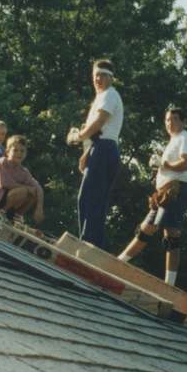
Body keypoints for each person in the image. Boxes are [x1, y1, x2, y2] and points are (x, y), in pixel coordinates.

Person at [117, 107, 187, 287]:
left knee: (171, 235)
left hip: (176, 191)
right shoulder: (174, 140)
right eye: (168, 120)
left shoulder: (185, 137)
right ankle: (119, 261)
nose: (170, 123)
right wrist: (159, 166)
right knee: (145, 229)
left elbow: (186, 163)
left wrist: (164, 164)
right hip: (164, 194)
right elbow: (170, 166)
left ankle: (169, 284)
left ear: (183, 122)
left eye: (175, 119)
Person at [71, 59, 123, 248]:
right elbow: (96, 134)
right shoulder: (101, 98)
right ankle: (89, 244)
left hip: (105, 150)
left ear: (111, 77)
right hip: (98, 149)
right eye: (95, 76)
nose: (98, 79)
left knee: (93, 199)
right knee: (86, 198)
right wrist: (86, 153)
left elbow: (100, 123)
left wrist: (78, 136)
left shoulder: (110, 95)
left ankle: (89, 246)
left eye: (102, 75)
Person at [0, 135, 45, 225]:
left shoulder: (24, 171)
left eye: (22, 151)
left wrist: (39, 208)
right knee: (24, 190)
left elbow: (38, 188)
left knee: (33, 192)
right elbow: (4, 183)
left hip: (7, 200)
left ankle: (17, 216)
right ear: (7, 152)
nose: (19, 153)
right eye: (15, 150)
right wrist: (27, 188)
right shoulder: (3, 162)